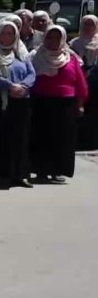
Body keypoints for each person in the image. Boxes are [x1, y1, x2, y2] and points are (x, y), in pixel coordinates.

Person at [0, 21, 35, 188]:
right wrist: (10, 86)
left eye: (11, 33)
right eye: (4, 33)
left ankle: (20, 174)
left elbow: (31, 73)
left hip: (20, 102)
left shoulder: (21, 52)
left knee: (20, 139)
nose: (7, 36)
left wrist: (23, 86)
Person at [30, 25, 88, 183]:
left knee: (63, 138)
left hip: (66, 104)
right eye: (50, 37)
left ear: (63, 39)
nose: (53, 40)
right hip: (42, 102)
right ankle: (41, 170)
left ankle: (58, 170)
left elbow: (80, 82)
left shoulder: (71, 57)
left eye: (57, 37)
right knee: (42, 137)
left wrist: (80, 103)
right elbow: (29, 77)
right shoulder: (36, 55)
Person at [70, 15, 98, 151]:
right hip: (79, 80)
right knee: (80, 111)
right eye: (86, 24)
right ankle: (80, 141)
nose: (88, 27)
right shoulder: (75, 43)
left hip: (95, 81)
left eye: (91, 24)